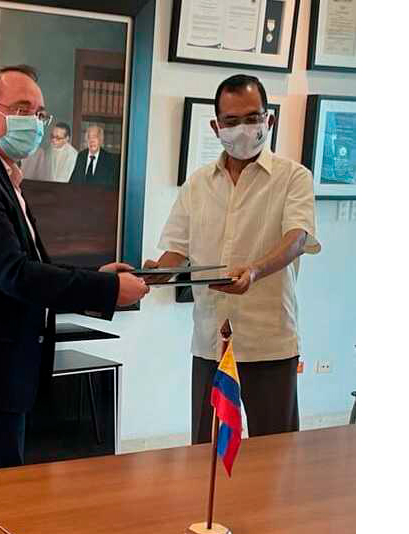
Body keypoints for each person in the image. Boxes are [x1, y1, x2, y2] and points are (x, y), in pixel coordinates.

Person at [0, 64, 149, 473]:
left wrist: (99, 275)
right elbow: (15, 275)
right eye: (23, 109)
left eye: (40, 113)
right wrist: (107, 290)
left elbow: (27, 264)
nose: (36, 123)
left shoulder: (0, 172)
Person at [144, 74, 321, 443]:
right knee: (205, 450)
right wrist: (156, 273)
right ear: (216, 126)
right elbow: (176, 248)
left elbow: (297, 238)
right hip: (211, 339)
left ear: (269, 119)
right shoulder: (198, 183)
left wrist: (255, 271)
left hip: (268, 341)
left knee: (275, 451)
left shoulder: (293, 177)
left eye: (253, 117)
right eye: (232, 120)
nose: (244, 128)